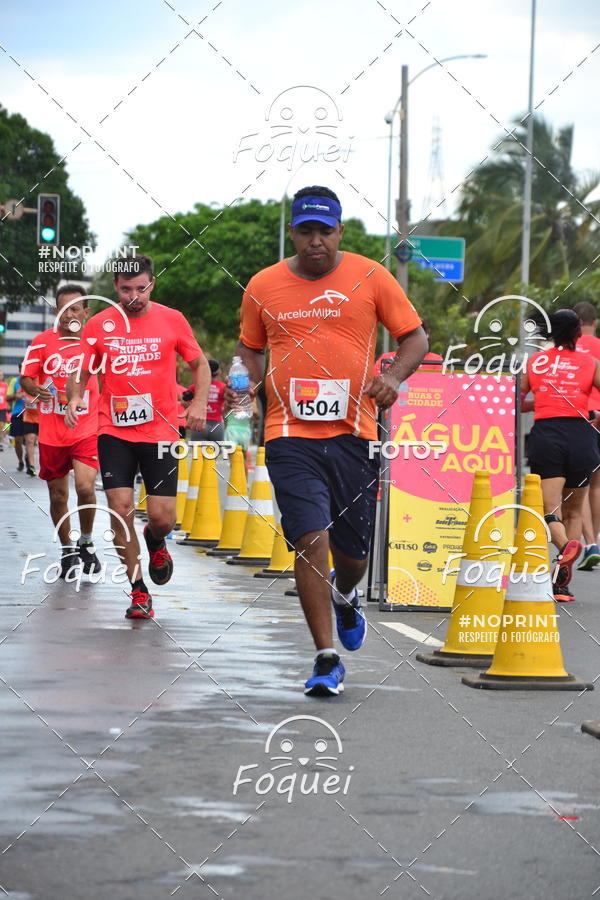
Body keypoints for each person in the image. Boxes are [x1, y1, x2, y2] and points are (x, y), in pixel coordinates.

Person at [235, 185, 427, 695]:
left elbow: (416, 337)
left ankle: (347, 595)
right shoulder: (262, 285)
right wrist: (258, 389)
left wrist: (395, 377)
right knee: (308, 538)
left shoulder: (371, 275)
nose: (315, 240)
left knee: (353, 554)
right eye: (305, 230)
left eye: (325, 230)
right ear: (293, 232)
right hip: (289, 432)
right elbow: (249, 347)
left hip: (355, 432)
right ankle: (325, 657)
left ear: (340, 231)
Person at [66, 254, 210, 619]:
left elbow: (200, 364)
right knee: (119, 509)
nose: (134, 295)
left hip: (161, 429)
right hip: (113, 430)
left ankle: (156, 540)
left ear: (152, 284)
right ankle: (138, 590)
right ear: (115, 287)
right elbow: (81, 370)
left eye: (141, 288)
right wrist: (76, 396)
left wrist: (199, 404)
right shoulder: (99, 325)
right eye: (127, 289)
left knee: (162, 517)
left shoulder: (172, 319)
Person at [20, 284, 102, 579]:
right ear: (56, 312)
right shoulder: (42, 342)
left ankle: (88, 541)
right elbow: (26, 378)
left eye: (76, 309)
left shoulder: (96, 342)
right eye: (64, 310)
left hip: (86, 428)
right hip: (52, 433)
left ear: (86, 312)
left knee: (84, 487)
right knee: (58, 497)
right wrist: (35, 389)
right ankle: (68, 548)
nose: (70, 315)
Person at [521, 308, 600, 601]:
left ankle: (566, 548)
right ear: (578, 332)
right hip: (582, 437)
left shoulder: (536, 361)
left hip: (547, 436)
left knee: (549, 511)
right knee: (574, 512)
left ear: (550, 332)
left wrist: (543, 402)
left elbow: (518, 401)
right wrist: (594, 412)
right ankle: (562, 585)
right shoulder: (590, 363)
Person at [574, 301, 600, 570]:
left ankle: (589, 542)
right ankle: (595, 542)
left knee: (578, 487)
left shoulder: (571, 348)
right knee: (597, 486)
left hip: (580, 418)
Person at [186, 359, 226, 442]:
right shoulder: (223, 387)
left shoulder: (196, 386)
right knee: (215, 453)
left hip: (199, 424)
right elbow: (227, 404)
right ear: (217, 373)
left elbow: (184, 399)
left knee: (197, 453)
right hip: (217, 425)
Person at [7, 373, 27, 472]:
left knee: (30, 439)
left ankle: (29, 458)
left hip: (31, 413)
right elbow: (7, 397)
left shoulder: (35, 380)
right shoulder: (15, 381)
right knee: (18, 439)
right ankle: (20, 461)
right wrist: (16, 396)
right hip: (17, 413)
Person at [0, 370, 8, 451]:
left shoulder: (5, 385)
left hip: (3, 408)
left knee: (2, 426)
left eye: (1, 375)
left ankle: (1, 443)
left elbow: (8, 396)